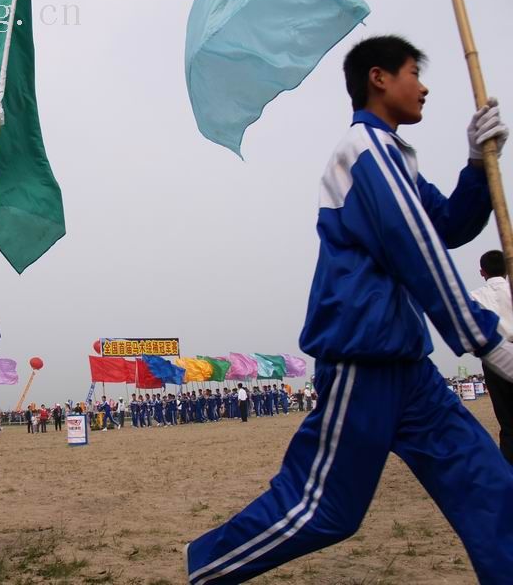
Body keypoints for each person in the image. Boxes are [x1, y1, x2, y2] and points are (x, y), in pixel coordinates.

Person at [186, 36, 513, 584]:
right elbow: (419, 252)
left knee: (488, 486)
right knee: (325, 510)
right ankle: (204, 569)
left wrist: (477, 165)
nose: (425, 85)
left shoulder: (395, 159)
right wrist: (490, 340)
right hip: (362, 357)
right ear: (379, 78)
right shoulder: (364, 152)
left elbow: (449, 226)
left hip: (408, 364)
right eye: (415, 71)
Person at [470, 250, 513, 465]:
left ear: (482, 272)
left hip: (494, 358)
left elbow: (473, 332)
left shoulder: (475, 296)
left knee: (507, 421)